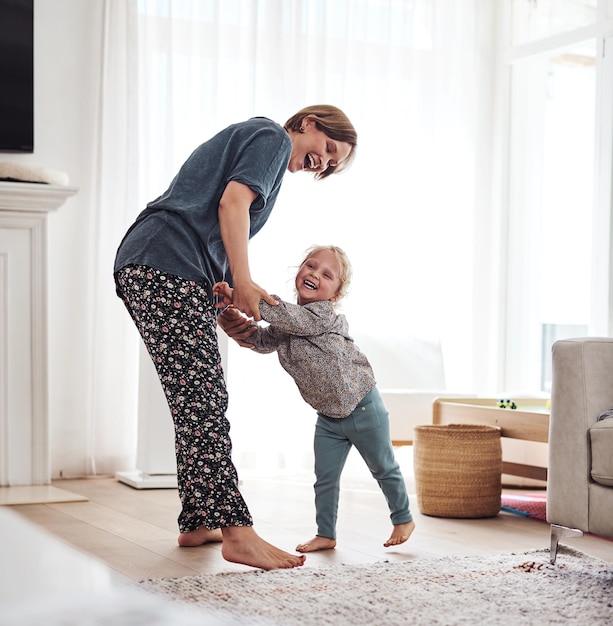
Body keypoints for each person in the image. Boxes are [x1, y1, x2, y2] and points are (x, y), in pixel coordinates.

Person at [114, 106, 358, 570]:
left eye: (330, 164)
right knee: (203, 399)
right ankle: (237, 533)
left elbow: (215, 222)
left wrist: (227, 295)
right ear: (306, 122)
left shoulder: (263, 146)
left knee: (197, 395)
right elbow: (232, 205)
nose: (322, 163)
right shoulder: (272, 137)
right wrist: (244, 283)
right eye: (327, 149)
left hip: (165, 263)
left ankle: (199, 520)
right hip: (164, 261)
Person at [214, 245, 415, 553]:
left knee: (383, 467)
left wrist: (248, 296)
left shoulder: (320, 316)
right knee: (325, 478)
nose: (314, 274)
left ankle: (402, 518)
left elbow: (287, 317)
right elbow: (262, 340)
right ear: (299, 272)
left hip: (363, 407)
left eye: (326, 274)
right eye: (310, 266)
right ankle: (326, 534)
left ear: (334, 295)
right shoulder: (288, 323)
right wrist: (232, 312)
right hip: (329, 419)